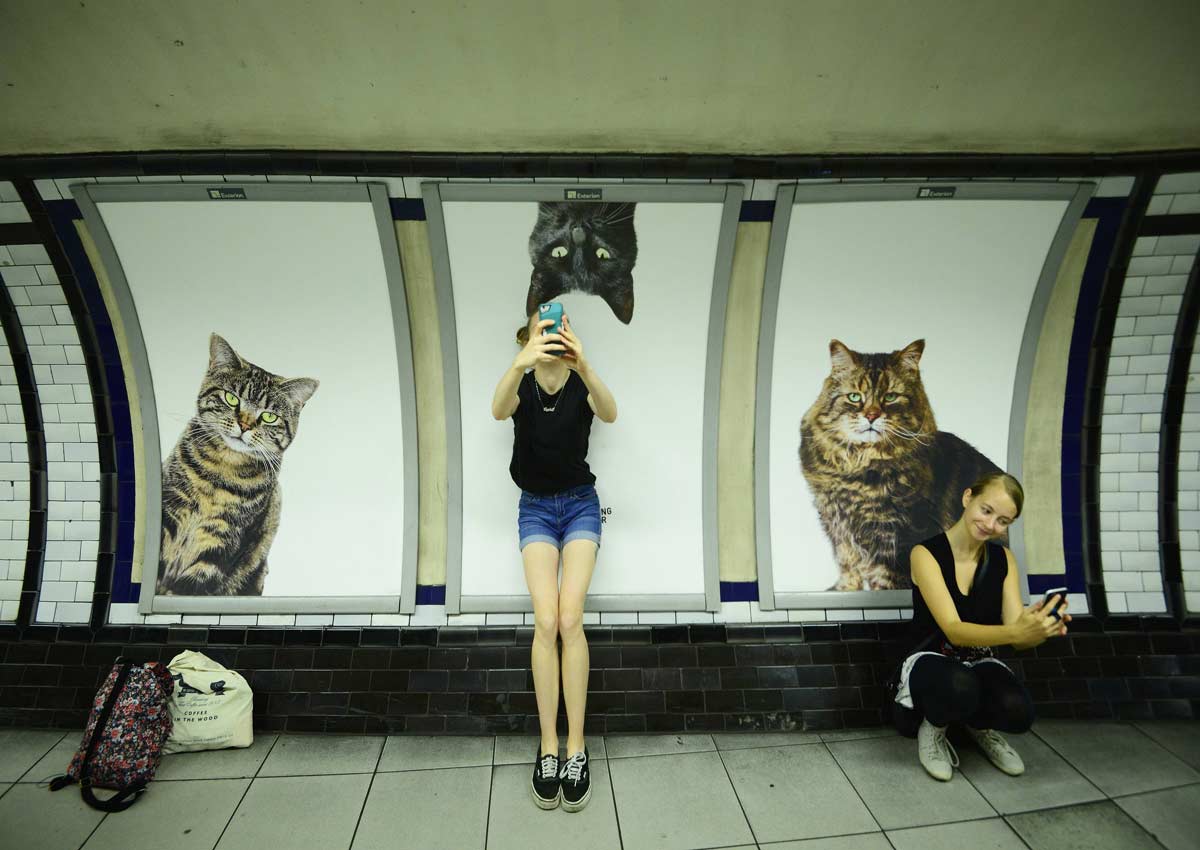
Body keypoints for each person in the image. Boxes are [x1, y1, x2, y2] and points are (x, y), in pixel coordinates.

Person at [491, 310, 617, 812]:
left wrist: (584, 364)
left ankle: (577, 748)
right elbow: (498, 410)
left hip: (580, 503)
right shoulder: (521, 383)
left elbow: (610, 413)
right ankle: (548, 747)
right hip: (536, 509)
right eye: (542, 335)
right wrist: (519, 362)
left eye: (557, 335)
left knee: (570, 618)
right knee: (546, 621)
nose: (551, 344)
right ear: (528, 339)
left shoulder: (579, 380)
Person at [894, 471, 1071, 781]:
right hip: (930, 660)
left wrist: (1040, 627)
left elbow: (1017, 636)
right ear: (967, 498)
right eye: (986, 510)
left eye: (1002, 521)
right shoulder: (926, 554)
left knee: (1019, 711)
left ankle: (978, 728)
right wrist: (1016, 631)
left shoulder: (1004, 560)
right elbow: (954, 629)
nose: (991, 525)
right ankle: (933, 729)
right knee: (959, 685)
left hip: (977, 661)